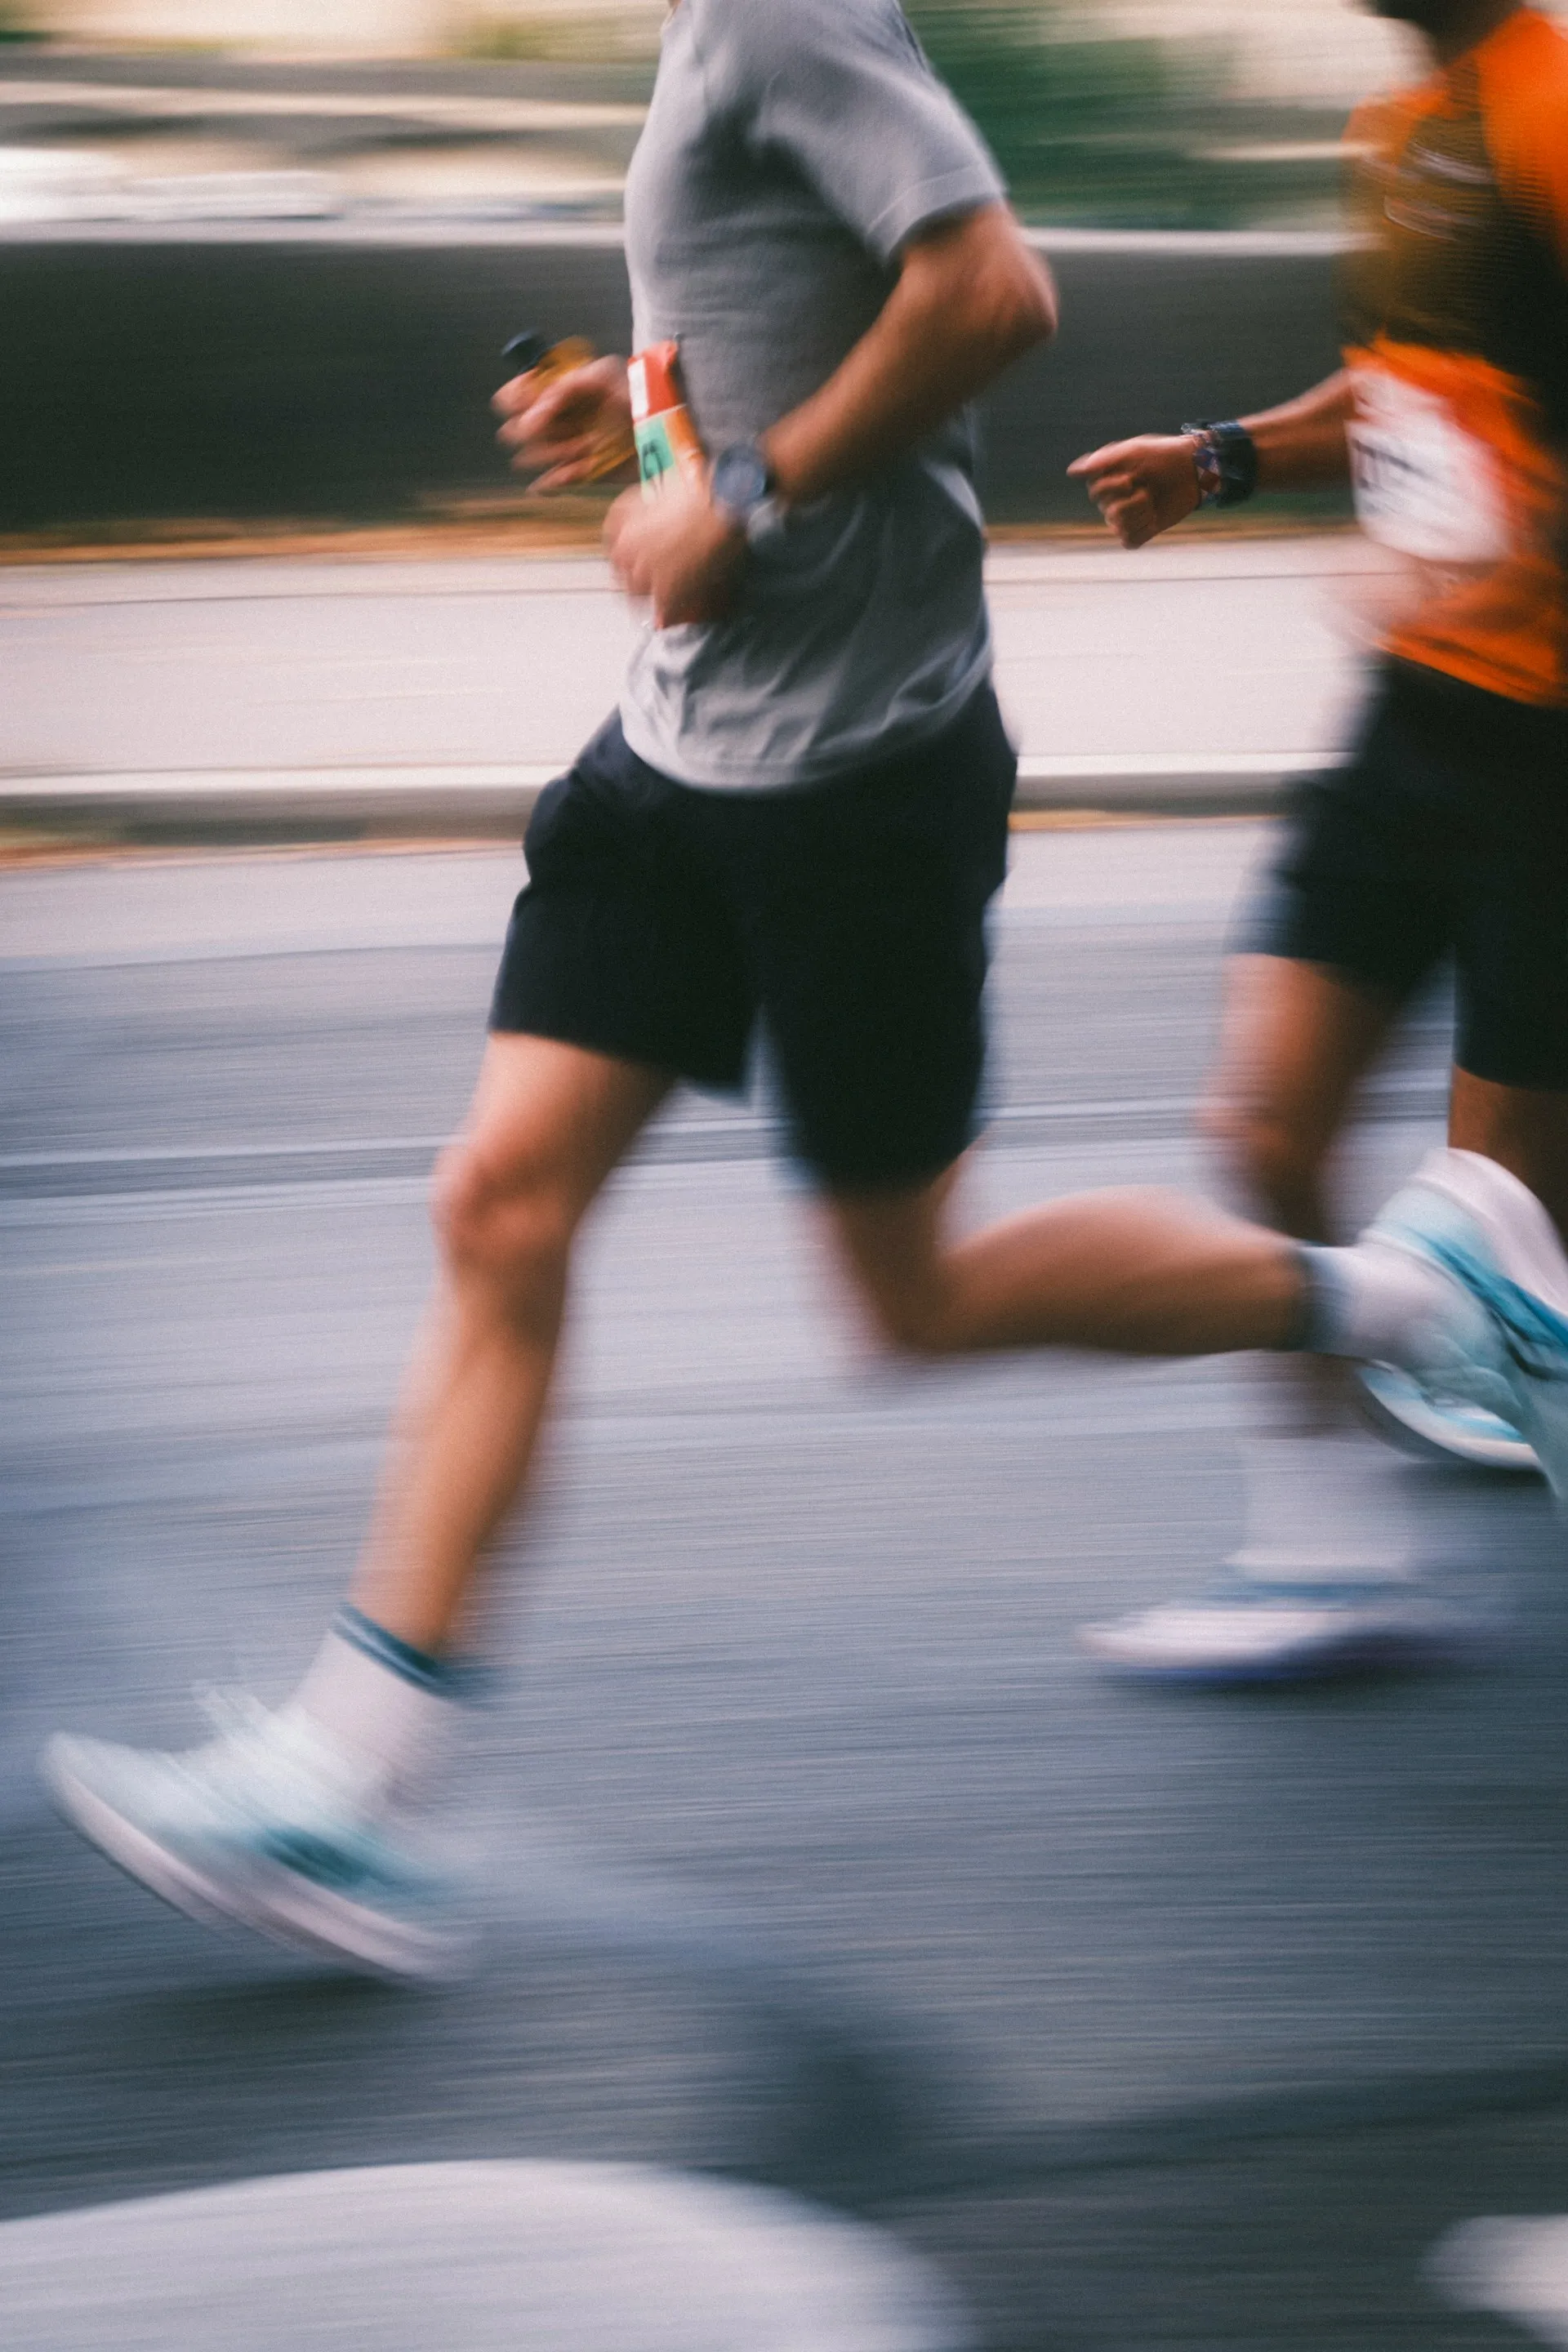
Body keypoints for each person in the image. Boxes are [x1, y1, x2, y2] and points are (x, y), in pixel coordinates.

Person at [40, 0, 1568, 1976]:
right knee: (496, 1200)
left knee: (914, 1299)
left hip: (853, 780)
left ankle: (1410, 1294)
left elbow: (988, 288)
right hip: (673, 756)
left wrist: (740, 492)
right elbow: (821, 302)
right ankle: (356, 1789)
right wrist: (647, 424)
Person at [1067, 0, 1568, 1685]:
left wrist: (1510, 561)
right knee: (1262, 1124)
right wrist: (1225, 458)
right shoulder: (1408, 126)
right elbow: (1403, 387)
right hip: (1412, 720)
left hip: (1548, 755)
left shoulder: (1553, 109)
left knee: (1497, 1245)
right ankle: (1333, 1558)